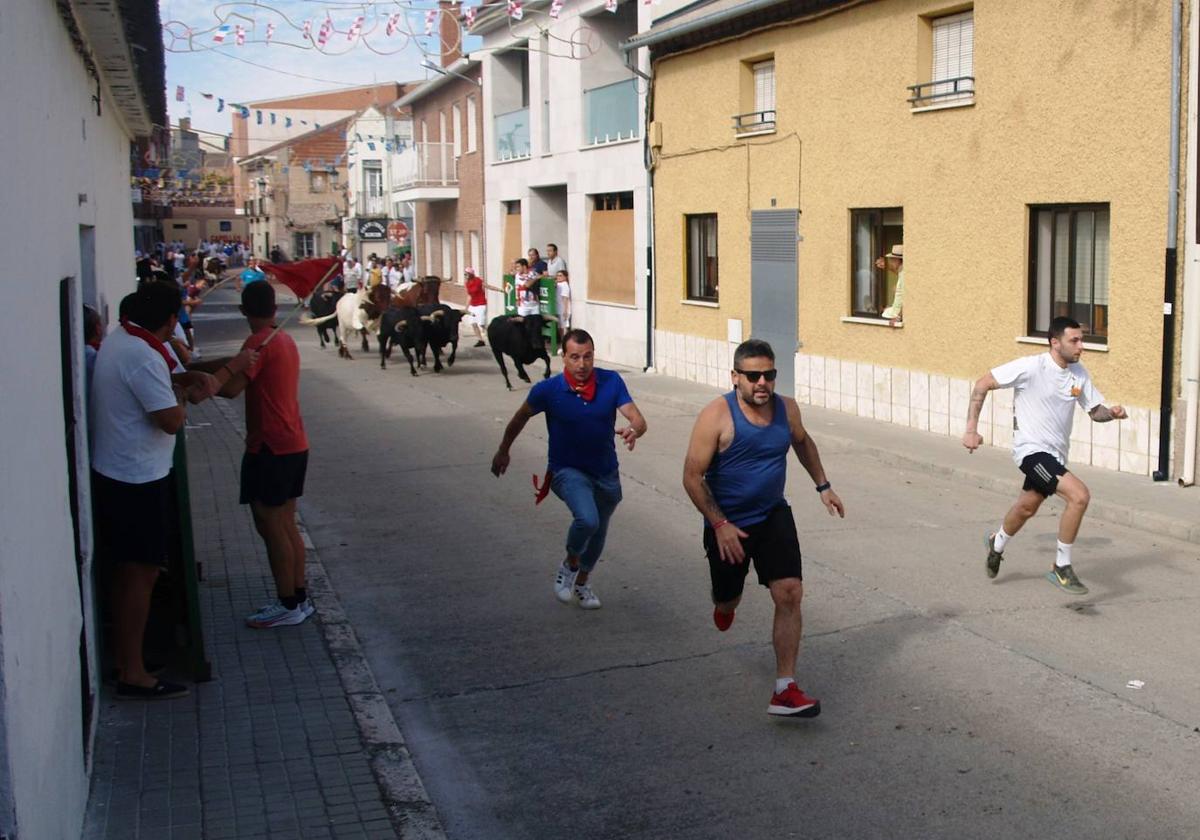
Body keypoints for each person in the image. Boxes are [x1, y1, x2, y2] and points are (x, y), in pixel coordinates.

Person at [90, 282, 251, 700]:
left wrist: (188, 378)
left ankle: (131, 658)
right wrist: (189, 391)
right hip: (134, 479)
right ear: (166, 320)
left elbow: (168, 385)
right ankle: (133, 672)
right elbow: (172, 420)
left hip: (125, 471)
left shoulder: (125, 339)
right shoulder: (143, 357)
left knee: (135, 572)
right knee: (139, 574)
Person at [682, 338, 845, 717]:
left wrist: (823, 485)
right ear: (735, 376)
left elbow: (802, 443)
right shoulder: (715, 416)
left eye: (769, 375)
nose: (762, 383)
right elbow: (692, 477)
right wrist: (719, 523)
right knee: (727, 598)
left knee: (790, 592)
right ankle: (725, 605)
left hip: (772, 514)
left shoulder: (786, 409)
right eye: (753, 375)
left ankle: (785, 689)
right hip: (727, 522)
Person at [964, 316, 1127, 595]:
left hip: (1056, 455)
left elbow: (1094, 411)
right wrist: (971, 430)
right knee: (1079, 496)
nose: (1081, 346)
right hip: (1031, 451)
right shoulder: (1031, 367)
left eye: (1081, 340)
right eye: (1074, 340)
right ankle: (1061, 567)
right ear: (1055, 342)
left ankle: (997, 542)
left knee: (1027, 507)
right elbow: (982, 384)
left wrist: (1110, 413)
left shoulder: (1079, 373)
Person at [491, 329, 647, 610]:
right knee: (588, 520)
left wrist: (634, 429)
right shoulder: (548, 390)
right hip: (566, 471)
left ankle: (583, 583)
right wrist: (504, 450)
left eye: (587, 357)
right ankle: (570, 563)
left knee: (598, 532)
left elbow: (637, 418)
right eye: (575, 357)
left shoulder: (610, 382)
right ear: (564, 357)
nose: (582, 364)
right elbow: (519, 418)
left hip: (606, 472)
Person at [219, 282, 313, 628]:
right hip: (293, 441)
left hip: (269, 445)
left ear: (243, 311)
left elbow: (230, 389)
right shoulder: (283, 340)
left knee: (270, 524)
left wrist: (197, 377)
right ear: (274, 308)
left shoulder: (257, 342)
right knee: (286, 522)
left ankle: (287, 602)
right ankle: (299, 598)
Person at [463, 267, 502, 348]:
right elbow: (469, 295)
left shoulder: (478, 280)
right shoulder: (466, 283)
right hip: (472, 305)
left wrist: (499, 290)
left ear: (471, 274)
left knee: (482, 324)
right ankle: (480, 340)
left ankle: (495, 338)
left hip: (481, 304)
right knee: (473, 323)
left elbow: (488, 286)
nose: (465, 275)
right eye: (464, 274)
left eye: (466, 274)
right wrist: (466, 308)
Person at [514, 257, 543, 352]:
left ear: (524, 266)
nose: (517, 268)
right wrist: (535, 278)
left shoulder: (533, 273)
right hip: (523, 305)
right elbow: (526, 285)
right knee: (522, 324)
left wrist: (541, 276)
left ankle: (535, 344)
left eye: (518, 266)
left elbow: (542, 276)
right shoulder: (518, 276)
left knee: (536, 325)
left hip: (534, 303)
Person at [875, 244, 904, 324]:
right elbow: (896, 271)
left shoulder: (904, 274)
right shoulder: (902, 271)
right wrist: (886, 266)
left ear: (898, 260)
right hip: (895, 311)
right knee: (884, 310)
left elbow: (907, 298)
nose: (891, 262)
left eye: (892, 259)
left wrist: (898, 317)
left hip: (896, 315)